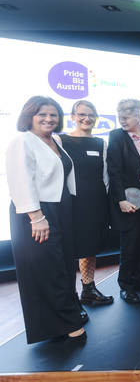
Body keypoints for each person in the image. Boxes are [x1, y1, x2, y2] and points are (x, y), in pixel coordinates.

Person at [7, 96, 86, 344]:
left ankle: (64, 316)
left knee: (63, 265)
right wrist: (37, 217)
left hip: (61, 208)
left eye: (53, 115)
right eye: (42, 114)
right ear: (29, 116)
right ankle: (65, 323)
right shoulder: (22, 141)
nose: (48, 119)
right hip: (37, 213)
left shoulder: (55, 140)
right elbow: (20, 181)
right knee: (47, 269)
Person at [59, 100, 113, 306]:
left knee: (89, 247)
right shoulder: (61, 141)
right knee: (69, 250)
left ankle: (88, 289)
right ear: (73, 117)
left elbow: (105, 176)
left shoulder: (100, 143)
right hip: (72, 204)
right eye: (82, 114)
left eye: (91, 114)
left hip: (95, 203)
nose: (86, 118)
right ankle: (69, 296)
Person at [107, 99, 140, 304]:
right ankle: (126, 285)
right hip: (128, 195)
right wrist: (121, 199)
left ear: (138, 115)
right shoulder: (116, 136)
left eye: (126, 116)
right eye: (119, 116)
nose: (122, 120)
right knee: (130, 243)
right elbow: (114, 172)